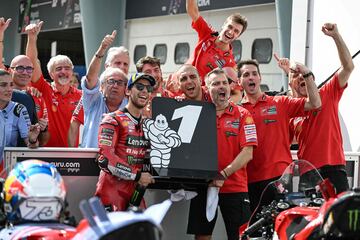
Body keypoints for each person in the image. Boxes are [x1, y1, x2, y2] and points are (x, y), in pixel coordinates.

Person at [276, 23, 354, 194]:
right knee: (311, 218)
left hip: (334, 167)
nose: (301, 76)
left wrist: (336, 36)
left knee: (339, 217)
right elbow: (284, 142)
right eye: (295, 75)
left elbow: (348, 67)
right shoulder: (290, 110)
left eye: (303, 73)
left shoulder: (327, 92)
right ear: (290, 83)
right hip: (308, 172)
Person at [237, 59, 321, 212]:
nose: (251, 77)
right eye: (246, 74)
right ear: (239, 81)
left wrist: (307, 74)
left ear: (260, 78)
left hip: (280, 177)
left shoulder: (280, 102)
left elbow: (315, 103)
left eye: (254, 74)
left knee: (280, 227)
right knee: (256, 230)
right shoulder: (237, 111)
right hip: (249, 180)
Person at [187, 69, 257, 240]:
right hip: (203, 186)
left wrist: (223, 174)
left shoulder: (243, 114)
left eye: (224, 83)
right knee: (202, 236)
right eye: (216, 83)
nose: (221, 87)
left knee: (241, 237)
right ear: (207, 88)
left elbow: (248, 153)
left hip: (235, 187)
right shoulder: (198, 113)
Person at [95, 73, 156, 211]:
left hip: (136, 192)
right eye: (139, 87)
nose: (145, 91)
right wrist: (138, 175)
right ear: (128, 91)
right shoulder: (112, 120)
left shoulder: (148, 125)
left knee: (141, 231)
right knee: (114, 233)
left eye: (149, 89)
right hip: (112, 191)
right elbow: (105, 160)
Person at [67, 32, 130, 147]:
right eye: (118, 63)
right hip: (91, 159)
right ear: (106, 66)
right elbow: (74, 123)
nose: (122, 67)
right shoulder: (93, 97)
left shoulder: (132, 100)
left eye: (125, 64)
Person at [26, 21, 82, 147]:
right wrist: (32, 38)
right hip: (46, 154)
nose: (63, 71)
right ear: (51, 75)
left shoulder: (81, 96)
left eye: (67, 68)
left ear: (72, 72)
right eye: (58, 69)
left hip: (72, 159)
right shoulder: (44, 89)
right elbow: (32, 62)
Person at [185, 0, 247, 83]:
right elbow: (192, 11)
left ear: (238, 36)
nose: (231, 32)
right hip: (179, 84)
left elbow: (234, 91)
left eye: (236, 31)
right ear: (224, 25)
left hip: (195, 94)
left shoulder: (230, 64)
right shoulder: (208, 33)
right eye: (230, 27)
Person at [0, 70, 39, 168]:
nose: (9, 89)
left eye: (11, 85)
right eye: (3, 85)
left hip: (7, 170)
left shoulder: (19, 109)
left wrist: (32, 139)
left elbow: (31, 145)